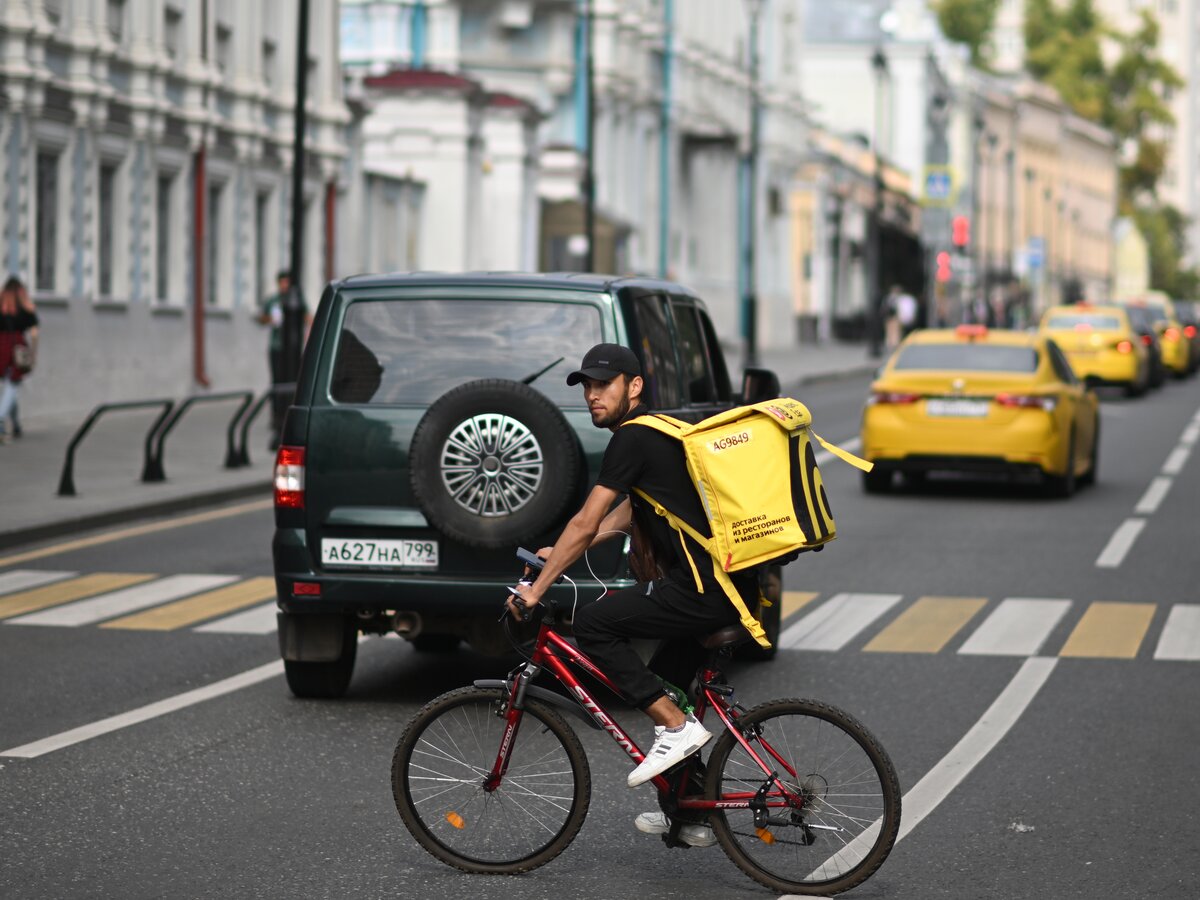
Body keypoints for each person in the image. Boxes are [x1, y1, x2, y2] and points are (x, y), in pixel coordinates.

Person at [507, 343, 763, 848]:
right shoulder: (658, 432)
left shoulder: (632, 439)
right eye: (586, 387)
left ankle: (674, 727)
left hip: (703, 591)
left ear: (635, 386)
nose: (593, 396)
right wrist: (559, 548)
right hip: (726, 587)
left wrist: (538, 589)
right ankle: (689, 814)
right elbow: (631, 510)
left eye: (604, 385)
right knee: (668, 684)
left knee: (595, 626)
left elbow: (585, 520)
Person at [258, 270, 308, 448]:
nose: (284, 285)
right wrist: (270, 319)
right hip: (277, 347)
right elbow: (261, 318)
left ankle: (288, 414)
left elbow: (307, 316)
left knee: (292, 383)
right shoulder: (273, 300)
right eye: (282, 282)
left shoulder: (297, 300)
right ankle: (276, 417)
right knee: (277, 383)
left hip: (293, 349)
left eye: (287, 282)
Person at [0, 276, 38, 444]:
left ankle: (15, 425)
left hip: (1, 347)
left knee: (11, 386)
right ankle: (0, 420)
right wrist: (33, 354)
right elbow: (35, 334)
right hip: (17, 348)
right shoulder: (26, 308)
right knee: (13, 384)